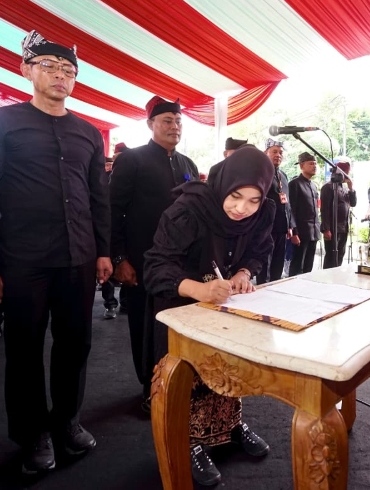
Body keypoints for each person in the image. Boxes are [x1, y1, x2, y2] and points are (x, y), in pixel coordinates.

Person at [0, 31, 112, 474]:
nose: (60, 75)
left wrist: (104, 251)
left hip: (79, 257)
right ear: (27, 70)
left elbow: (98, 198)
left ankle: (67, 420)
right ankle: (32, 433)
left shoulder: (89, 132)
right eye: (49, 65)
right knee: (24, 349)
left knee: (76, 343)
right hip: (22, 259)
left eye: (68, 70)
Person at [144, 144, 273, 487]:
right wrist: (198, 290)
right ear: (224, 183)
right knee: (190, 378)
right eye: (236, 196)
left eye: (253, 200)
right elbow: (155, 267)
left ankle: (229, 428)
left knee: (228, 370)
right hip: (180, 306)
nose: (242, 209)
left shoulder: (262, 213)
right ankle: (188, 442)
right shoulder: (189, 209)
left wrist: (244, 272)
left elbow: (261, 249)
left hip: (225, 306)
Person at [109, 95, 199, 410]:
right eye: (167, 121)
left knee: (180, 325)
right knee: (145, 326)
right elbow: (113, 211)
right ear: (151, 124)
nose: (175, 127)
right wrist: (119, 258)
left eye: (178, 122)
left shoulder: (188, 164)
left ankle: (180, 385)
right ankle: (150, 388)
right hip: (142, 260)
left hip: (183, 264)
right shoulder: (132, 160)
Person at [257, 139, 293, 284]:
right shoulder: (261, 173)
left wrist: (290, 225)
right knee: (265, 261)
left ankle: (276, 285)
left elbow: (288, 203)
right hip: (267, 226)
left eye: (281, 152)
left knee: (278, 261)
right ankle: (262, 288)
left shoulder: (283, 175)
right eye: (274, 152)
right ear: (266, 153)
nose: (278, 155)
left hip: (282, 226)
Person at [288, 152, 320, 276]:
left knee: (308, 267)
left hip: (313, 232)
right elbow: (291, 210)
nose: (314, 166)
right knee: (297, 267)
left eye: (315, 164)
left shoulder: (313, 186)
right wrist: (294, 233)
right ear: (302, 166)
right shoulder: (294, 184)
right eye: (311, 164)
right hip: (301, 232)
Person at [320, 160, 356, 269]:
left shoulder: (344, 187)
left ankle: (337, 275)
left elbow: (353, 203)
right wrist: (326, 229)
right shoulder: (328, 187)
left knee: (340, 255)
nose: (347, 176)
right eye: (345, 173)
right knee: (331, 256)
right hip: (332, 228)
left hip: (343, 227)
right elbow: (324, 209)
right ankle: (327, 277)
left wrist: (351, 189)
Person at [101, 156, 119, 319]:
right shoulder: (98, 179)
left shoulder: (119, 178)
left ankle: (118, 303)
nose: (108, 168)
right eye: (106, 165)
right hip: (103, 231)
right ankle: (110, 303)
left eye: (110, 165)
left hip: (115, 229)